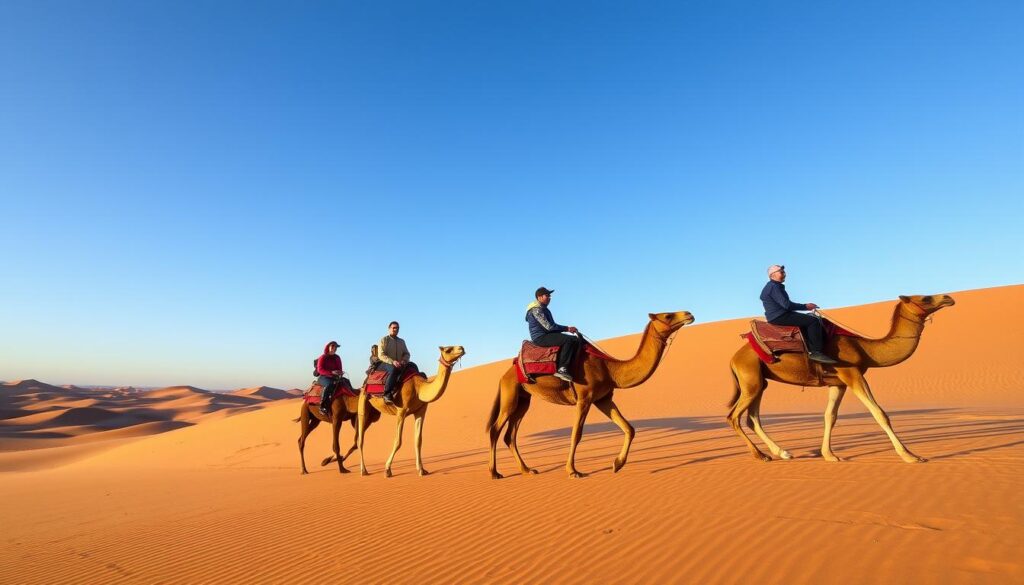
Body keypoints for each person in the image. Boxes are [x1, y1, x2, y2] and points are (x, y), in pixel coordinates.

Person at [760, 265, 838, 365]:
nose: (784, 274)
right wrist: (806, 306)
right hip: (780, 316)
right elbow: (787, 305)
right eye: (781, 272)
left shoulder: (773, 286)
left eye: (784, 272)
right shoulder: (774, 287)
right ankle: (815, 352)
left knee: (809, 318)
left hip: (780, 315)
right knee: (813, 321)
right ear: (772, 275)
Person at [526, 286, 580, 382]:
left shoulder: (544, 309)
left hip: (547, 334)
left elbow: (552, 327)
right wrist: (567, 328)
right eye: (547, 295)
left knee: (575, 339)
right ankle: (562, 369)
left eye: (549, 296)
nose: (549, 298)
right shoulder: (536, 310)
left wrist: (566, 329)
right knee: (568, 340)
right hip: (541, 337)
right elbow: (549, 327)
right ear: (539, 297)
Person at [377, 321, 411, 405]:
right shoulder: (384, 340)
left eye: (397, 328)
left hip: (400, 363)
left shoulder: (401, 341)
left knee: (413, 366)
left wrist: (404, 360)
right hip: (385, 363)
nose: (395, 329)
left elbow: (407, 353)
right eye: (394, 328)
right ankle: (387, 394)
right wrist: (392, 362)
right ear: (389, 329)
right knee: (393, 369)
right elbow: (381, 355)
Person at [315, 341, 345, 415]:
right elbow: (320, 370)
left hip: (334, 377)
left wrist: (340, 372)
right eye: (332, 346)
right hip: (323, 377)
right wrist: (331, 372)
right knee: (329, 384)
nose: (334, 348)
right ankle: (322, 406)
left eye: (335, 347)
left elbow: (339, 369)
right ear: (328, 347)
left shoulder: (337, 358)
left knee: (346, 383)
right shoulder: (323, 357)